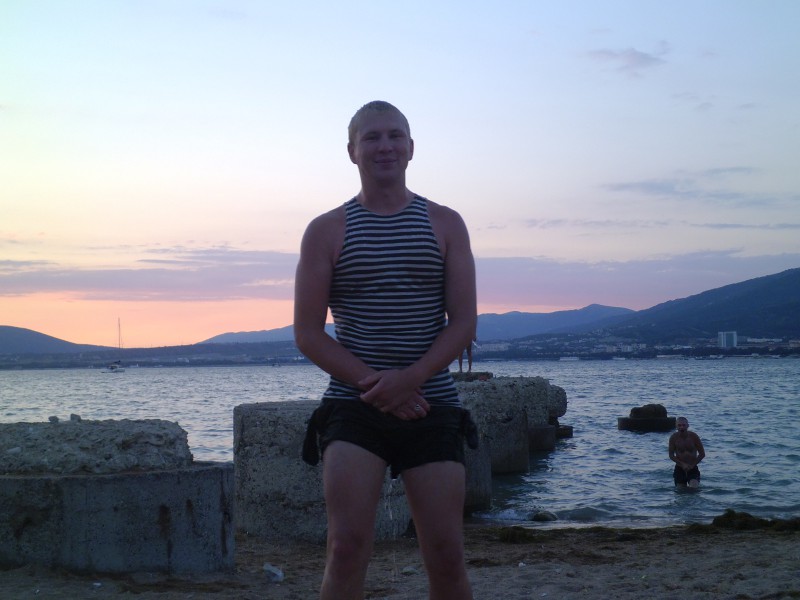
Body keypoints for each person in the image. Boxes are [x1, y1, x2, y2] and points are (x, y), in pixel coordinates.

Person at [294, 100, 477, 600]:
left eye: (395, 135)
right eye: (371, 137)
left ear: (411, 148)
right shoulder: (327, 230)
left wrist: (410, 379)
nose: (385, 146)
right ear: (351, 151)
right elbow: (308, 333)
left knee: (446, 553)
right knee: (345, 548)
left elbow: (464, 322)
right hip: (354, 405)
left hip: (432, 403)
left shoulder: (445, 223)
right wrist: (380, 387)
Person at [668, 416, 706, 488]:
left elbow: (702, 454)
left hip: (693, 467)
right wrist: (682, 464)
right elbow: (671, 455)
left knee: (694, 488)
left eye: (683, 425)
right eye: (679, 425)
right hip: (679, 468)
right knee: (681, 491)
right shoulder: (673, 438)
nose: (681, 427)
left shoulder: (694, 436)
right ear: (676, 426)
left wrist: (692, 465)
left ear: (687, 426)